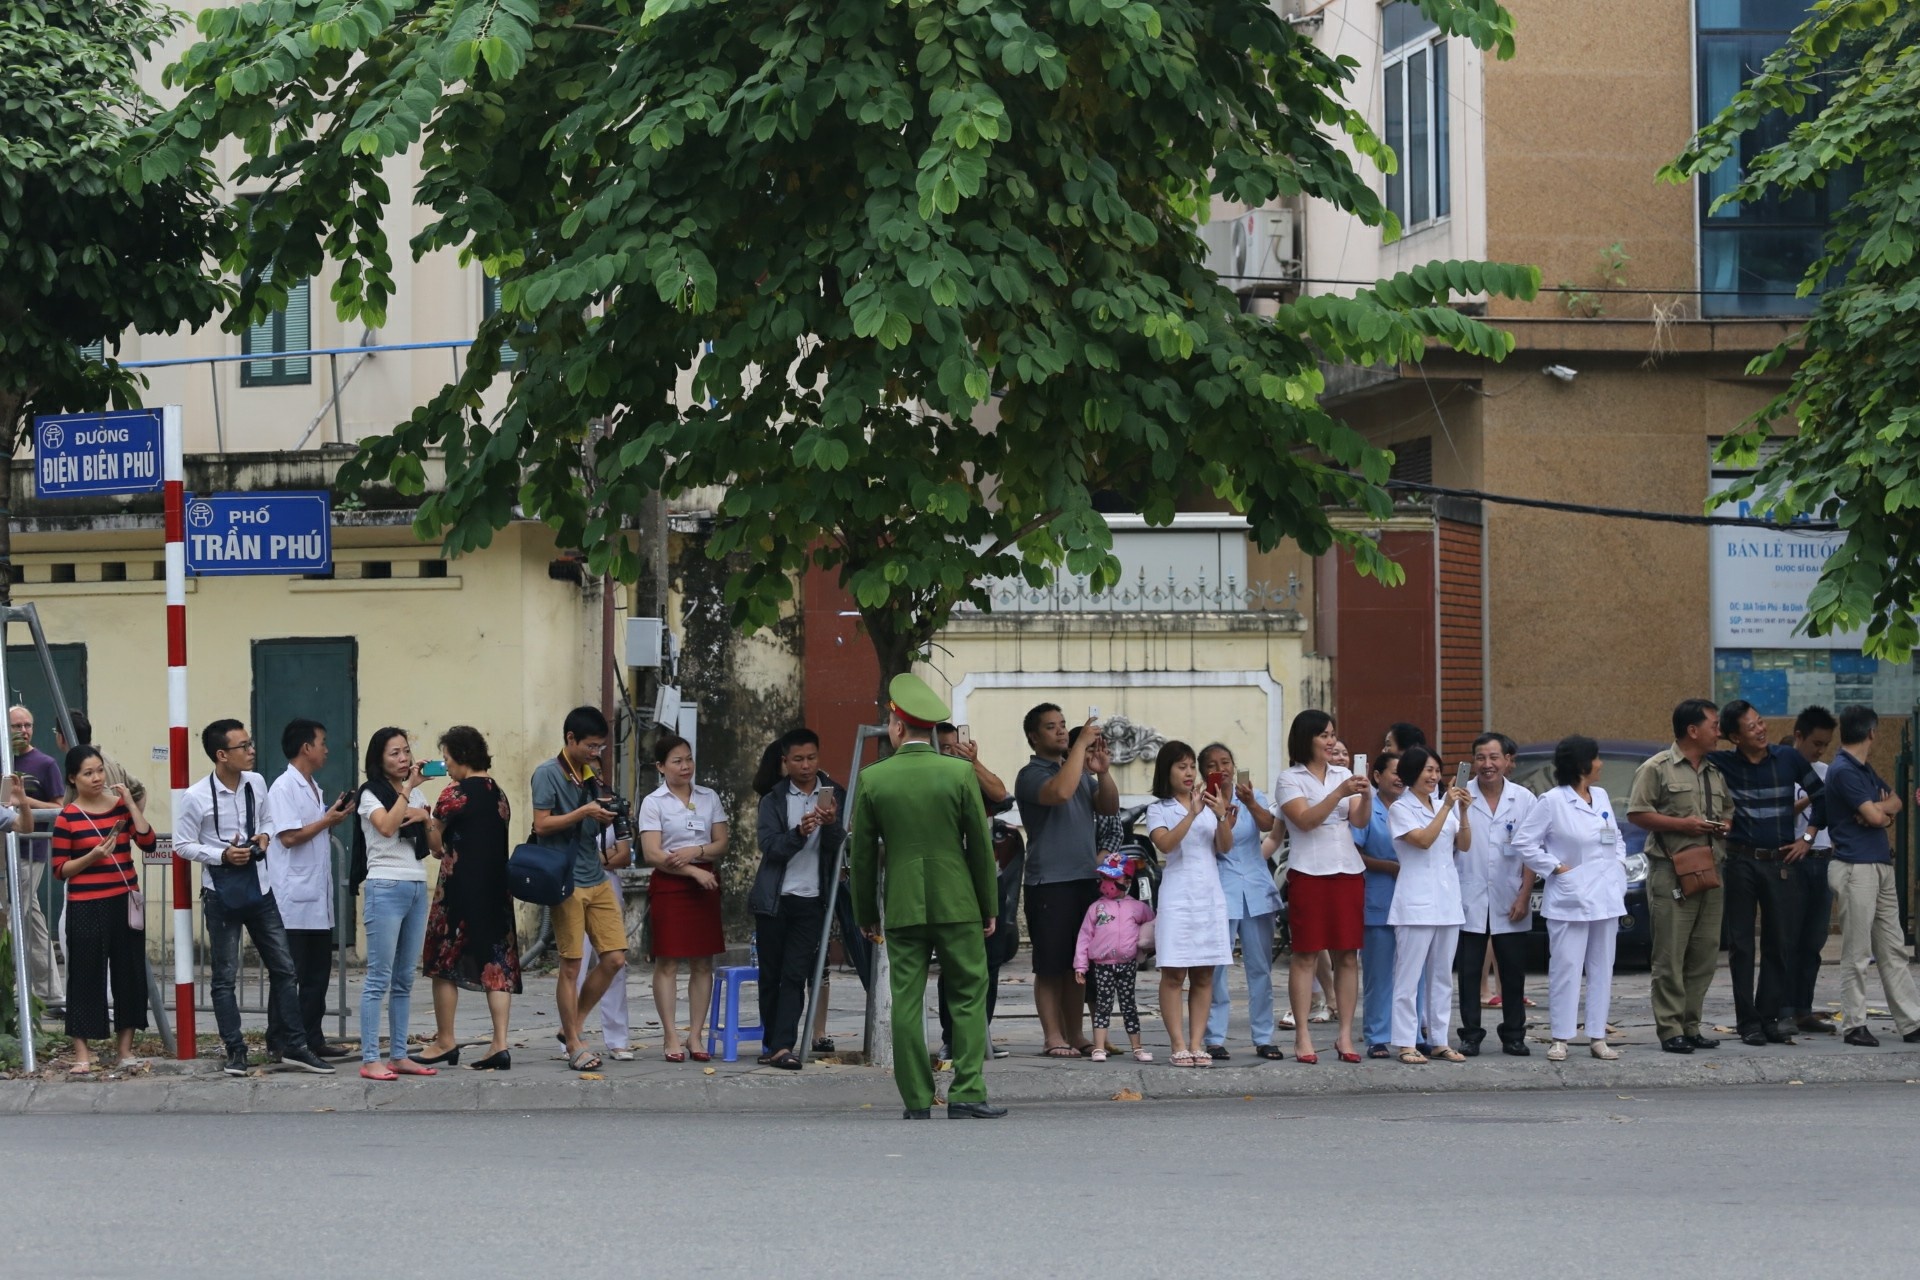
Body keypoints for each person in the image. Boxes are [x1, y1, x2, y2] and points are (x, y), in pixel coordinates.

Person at [850, 673, 1005, 1119]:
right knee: (969, 995)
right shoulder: (958, 772)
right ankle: (967, 1091)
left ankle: (917, 1099)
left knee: (906, 1000)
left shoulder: (874, 779)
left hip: (903, 905)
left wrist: (865, 911)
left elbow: (863, 855)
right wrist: (988, 905)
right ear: (930, 729)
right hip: (958, 902)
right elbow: (979, 846)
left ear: (897, 726)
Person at [177, 719, 335, 1077]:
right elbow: (183, 844)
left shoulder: (257, 783)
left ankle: (295, 1045)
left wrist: (263, 837)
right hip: (221, 892)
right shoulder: (196, 796)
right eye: (243, 746)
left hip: (261, 888)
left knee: (285, 968)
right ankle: (236, 1050)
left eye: (250, 744)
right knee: (224, 976)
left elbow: (267, 821)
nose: (251, 751)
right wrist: (221, 855)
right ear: (222, 755)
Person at [1707, 699, 1827, 1046]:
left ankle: (1770, 1016)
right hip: (1740, 862)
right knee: (1741, 945)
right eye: (1751, 726)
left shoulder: (1787, 758)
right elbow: (1691, 754)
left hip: (1780, 862)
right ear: (1735, 737)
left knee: (1779, 942)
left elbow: (1822, 796)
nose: (1761, 729)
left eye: (1760, 721)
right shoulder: (1722, 763)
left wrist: (1807, 838)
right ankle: (1748, 1023)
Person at [1627, 699, 1732, 1055]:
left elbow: (1728, 809)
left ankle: (1691, 1025)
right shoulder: (1657, 768)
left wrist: (1724, 825)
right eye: (1714, 725)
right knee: (1670, 955)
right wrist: (1683, 825)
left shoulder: (1714, 771)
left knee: (1704, 954)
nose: (1718, 732)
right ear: (1692, 730)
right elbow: (1638, 813)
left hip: (1710, 869)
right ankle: (1670, 1029)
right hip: (1671, 872)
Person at [1516, 735, 1628, 1062]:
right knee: (1566, 968)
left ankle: (1597, 1036)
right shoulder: (1552, 801)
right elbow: (1524, 842)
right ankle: (1560, 1037)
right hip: (1571, 896)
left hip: (1606, 895)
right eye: (1596, 758)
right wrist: (1556, 868)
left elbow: (1616, 837)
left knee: (1601, 968)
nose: (1601, 764)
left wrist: (1619, 865)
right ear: (1582, 765)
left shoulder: (1601, 796)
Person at [1015, 703, 1117, 1058]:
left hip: (1085, 879)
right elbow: (1058, 793)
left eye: (1062, 724)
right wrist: (1079, 748)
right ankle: (1053, 1036)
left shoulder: (1078, 773)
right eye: (1051, 726)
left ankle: (1075, 1034)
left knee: (1078, 966)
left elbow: (1108, 807)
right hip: (1049, 883)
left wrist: (1103, 773)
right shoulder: (1031, 775)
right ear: (1033, 737)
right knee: (1050, 966)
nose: (1061, 730)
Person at [417, 726, 520, 1072]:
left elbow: (435, 844)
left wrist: (426, 819)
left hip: (459, 889)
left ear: (461, 757)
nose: (446, 765)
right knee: (497, 963)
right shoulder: (498, 793)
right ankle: (500, 1044)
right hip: (495, 888)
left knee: (443, 964)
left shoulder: (455, 793)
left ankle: (445, 1040)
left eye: (447, 758)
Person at [531, 706, 625, 1072]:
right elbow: (542, 825)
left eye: (600, 747)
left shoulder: (589, 775)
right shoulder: (547, 773)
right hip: (565, 879)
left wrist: (606, 812)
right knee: (571, 965)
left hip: (597, 876)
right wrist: (585, 812)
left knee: (614, 958)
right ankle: (573, 1043)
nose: (596, 752)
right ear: (570, 738)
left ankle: (574, 1023)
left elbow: (591, 822)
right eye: (591, 745)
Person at [1274, 710, 1370, 1064]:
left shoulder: (1343, 774)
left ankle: (1344, 1034)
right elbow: (1305, 820)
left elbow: (1358, 820)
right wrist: (1339, 793)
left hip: (1347, 869)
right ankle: (1303, 1034)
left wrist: (1366, 795)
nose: (1331, 741)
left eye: (1333, 734)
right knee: (1306, 954)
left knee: (1347, 955)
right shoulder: (1290, 779)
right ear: (1307, 739)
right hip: (1309, 871)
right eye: (1324, 735)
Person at [1821, 706, 1920, 1046]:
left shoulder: (1864, 769)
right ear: (1872, 733)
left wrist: (1879, 811)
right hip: (1855, 867)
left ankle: (1911, 1022)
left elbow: (1896, 802)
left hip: (1878, 864)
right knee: (1858, 951)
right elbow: (1877, 816)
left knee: (1893, 948)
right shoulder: (1843, 770)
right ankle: (1854, 1025)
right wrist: (1879, 814)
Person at [47, 750, 149, 1073]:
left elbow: (146, 840)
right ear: (73, 779)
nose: (97, 778)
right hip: (86, 904)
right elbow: (59, 869)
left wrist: (130, 803)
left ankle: (125, 1050)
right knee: (84, 976)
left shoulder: (120, 807)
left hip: (125, 900)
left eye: (100, 771)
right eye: (88, 773)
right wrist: (92, 856)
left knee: (129, 974)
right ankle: (82, 1054)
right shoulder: (68, 817)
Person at [751, 729, 844, 1070]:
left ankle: (782, 1046)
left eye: (811, 758)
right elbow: (769, 846)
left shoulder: (834, 794)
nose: (806, 766)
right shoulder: (773, 799)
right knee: (770, 976)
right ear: (785, 762)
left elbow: (840, 846)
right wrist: (799, 833)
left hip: (812, 899)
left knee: (794, 974)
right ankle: (772, 1043)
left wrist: (831, 825)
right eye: (798, 759)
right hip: (774, 899)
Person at [264, 718, 356, 1060]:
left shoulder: (312, 786)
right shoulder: (283, 788)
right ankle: (281, 1040)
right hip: (293, 900)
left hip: (317, 898)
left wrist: (329, 817)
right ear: (306, 747)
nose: (326, 749)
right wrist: (326, 821)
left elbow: (311, 831)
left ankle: (312, 1037)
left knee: (317, 975)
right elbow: (289, 837)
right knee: (290, 974)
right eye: (322, 742)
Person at [349, 727, 434, 1079]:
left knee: (404, 979)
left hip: (416, 885)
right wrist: (407, 790)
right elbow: (386, 827)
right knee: (378, 978)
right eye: (394, 753)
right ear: (379, 759)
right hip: (385, 884)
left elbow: (437, 847)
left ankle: (399, 1054)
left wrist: (427, 817)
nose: (403, 759)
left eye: (406, 751)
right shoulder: (371, 793)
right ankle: (371, 1058)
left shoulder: (418, 794)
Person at [638, 733, 728, 1062]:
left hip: (705, 884)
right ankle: (670, 1035)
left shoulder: (708, 796)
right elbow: (652, 853)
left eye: (688, 759)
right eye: (677, 761)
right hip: (672, 883)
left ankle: (696, 1035)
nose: (685, 766)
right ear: (661, 766)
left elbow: (721, 843)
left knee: (703, 963)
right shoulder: (654, 802)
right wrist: (691, 870)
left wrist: (698, 852)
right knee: (668, 962)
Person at [1144, 740, 1235, 1067]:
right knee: (1173, 973)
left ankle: (1197, 1043)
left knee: (1204, 974)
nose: (1189, 773)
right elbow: (1166, 845)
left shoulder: (1209, 803)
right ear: (1166, 771)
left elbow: (1224, 846)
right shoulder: (1158, 809)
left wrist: (1220, 815)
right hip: (1178, 896)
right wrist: (1192, 813)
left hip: (1209, 895)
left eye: (1192, 767)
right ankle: (1178, 1043)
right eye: (1181, 767)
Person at [935, 723, 1020, 1062]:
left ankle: (980, 1034)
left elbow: (1000, 795)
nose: (950, 751)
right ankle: (952, 1037)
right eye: (943, 747)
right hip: (948, 879)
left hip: (986, 877)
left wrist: (973, 762)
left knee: (991, 960)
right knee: (953, 962)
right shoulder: (931, 779)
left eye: (954, 745)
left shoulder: (970, 774)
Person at [1386, 746, 1471, 1064]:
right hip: (1415, 902)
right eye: (1428, 770)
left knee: (1442, 976)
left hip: (1447, 900)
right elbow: (1422, 841)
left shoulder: (1442, 806)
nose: (1434, 776)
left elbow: (1464, 845)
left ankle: (1439, 1040)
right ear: (1412, 773)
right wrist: (1447, 807)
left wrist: (1462, 811)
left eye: (1437, 770)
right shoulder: (1401, 808)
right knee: (1408, 976)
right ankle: (1406, 1042)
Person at [1197, 742, 1282, 1061]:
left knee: (1260, 968)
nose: (1221, 769)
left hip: (1256, 887)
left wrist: (1250, 802)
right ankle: (1214, 1037)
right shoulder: (1200, 802)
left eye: (1226, 762)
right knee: (1217, 968)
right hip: (1221, 887)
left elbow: (1269, 826)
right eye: (1213, 764)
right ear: (1204, 772)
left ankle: (1264, 1037)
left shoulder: (1252, 795)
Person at [1456, 732, 1536, 1056]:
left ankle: (1514, 1035)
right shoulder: (1459, 795)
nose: (1487, 764)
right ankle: (1470, 1035)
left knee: (1513, 971)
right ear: (1472, 761)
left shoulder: (1524, 799)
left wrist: (1524, 895)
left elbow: (1532, 851)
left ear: (1507, 760)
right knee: (1469, 971)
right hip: (1468, 894)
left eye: (1493, 757)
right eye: (1480, 758)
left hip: (1509, 895)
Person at [7, 704, 67, 1009]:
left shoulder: (45, 763)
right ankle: (51, 994)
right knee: (32, 921)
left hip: (30, 851)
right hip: (4, 851)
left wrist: (24, 800)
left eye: (27, 725)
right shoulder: (5, 759)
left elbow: (58, 808)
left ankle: (12, 990)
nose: (23, 731)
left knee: (11, 917)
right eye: (16, 726)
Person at [1355, 750, 1411, 1058]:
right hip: (1379, 898)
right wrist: (1388, 867)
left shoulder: (1413, 806)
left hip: (1413, 900)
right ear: (1377, 776)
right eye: (1394, 771)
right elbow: (1354, 851)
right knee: (1378, 974)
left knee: (1412, 971)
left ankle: (1412, 1033)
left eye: (1405, 772)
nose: (1400, 778)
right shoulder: (1368, 807)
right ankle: (1377, 1035)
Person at [1073, 851, 1155, 1063]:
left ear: (1127, 881)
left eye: (1112, 878)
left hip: (1127, 964)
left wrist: (1146, 948)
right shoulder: (1096, 908)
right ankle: (1099, 1047)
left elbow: (1152, 925)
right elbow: (1084, 936)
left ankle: (1137, 1047)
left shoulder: (1138, 907)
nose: (1107, 883)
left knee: (1129, 1005)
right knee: (1103, 1005)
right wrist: (1081, 965)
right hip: (1102, 965)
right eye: (1104, 877)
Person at [1787, 705, 1838, 1035]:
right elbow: (1782, 812)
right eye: (1816, 743)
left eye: (1825, 745)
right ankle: (1782, 1010)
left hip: (1823, 859)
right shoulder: (1782, 770)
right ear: (1799, 736)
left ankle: (1803, 1010)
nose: (1820, 750)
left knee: (1814, 941)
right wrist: (1813, 796)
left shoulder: (1829, 772)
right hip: (1793, 862)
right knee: (1788, 940)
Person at [53, 710, 146, 808]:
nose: (96, 777)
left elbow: (105, 805)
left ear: (61, 738)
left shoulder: (80, 768)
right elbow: (139, 791)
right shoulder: (106, 758)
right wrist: (133, 816)